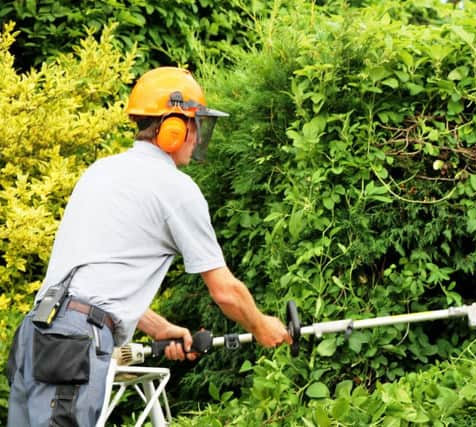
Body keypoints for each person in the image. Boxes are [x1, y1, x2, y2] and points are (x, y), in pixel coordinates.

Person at [6, 67, 292, 427]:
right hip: (74, 348)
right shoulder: (176, 188)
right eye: (194, 124)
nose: (197, 136)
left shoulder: (100, 171)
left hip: (37, 336)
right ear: (173, 129)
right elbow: (226, 293)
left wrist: (157, 327)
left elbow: (89, 286)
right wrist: (262, 325)